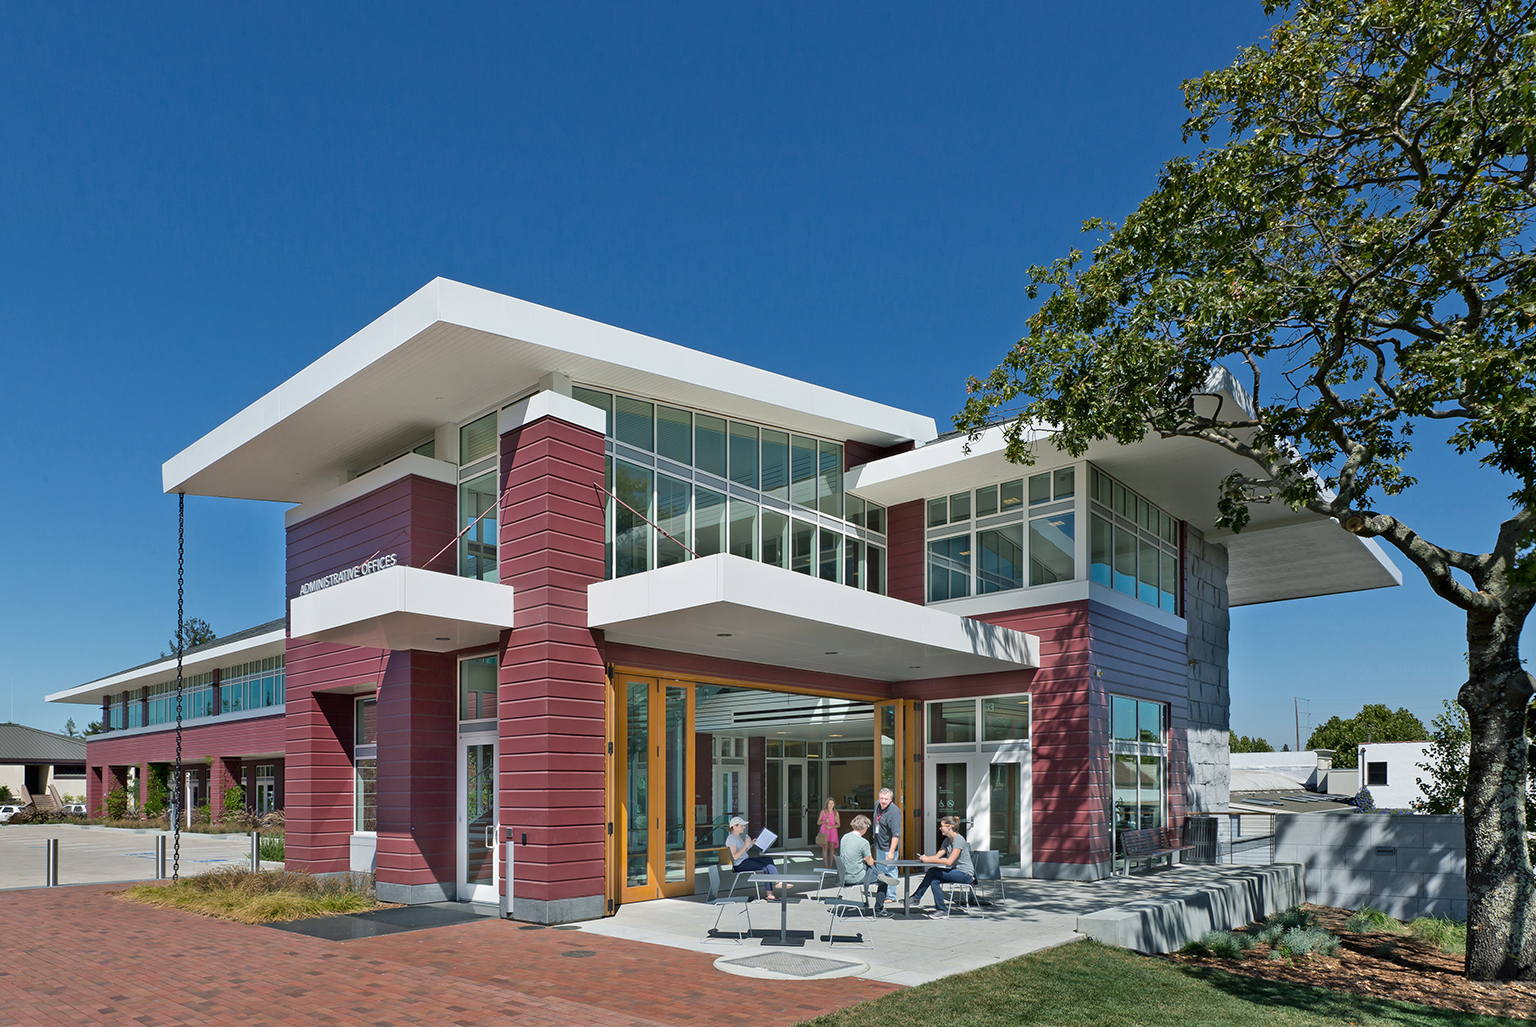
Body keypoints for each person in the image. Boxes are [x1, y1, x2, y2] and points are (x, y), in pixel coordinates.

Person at [909, 816, 976, 917]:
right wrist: (926, 858)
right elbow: (936, 857)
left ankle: (916, 898)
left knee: (932, 872)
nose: (940, 828)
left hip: (965, 874)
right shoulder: (947, 841)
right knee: (934, 880)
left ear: (949, 827)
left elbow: (949, 862)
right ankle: (942, 910)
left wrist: (928, 860)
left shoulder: (958, 840)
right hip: (956, 872)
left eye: (941, 826)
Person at [837, 814, 889, 911]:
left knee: (870, 869)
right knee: (883, 881)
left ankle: (879, 874)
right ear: (865, 828)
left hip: (843, 875)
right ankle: (879, 909)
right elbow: (870, 862)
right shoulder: (863, 842)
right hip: (855, 876)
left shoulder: (845, 837)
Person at [724, 814, 777, 900]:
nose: (744, 827)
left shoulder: (738, 837)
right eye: (741, 826)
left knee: (768, 859)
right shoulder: (731, 839)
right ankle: (769, 893)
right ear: (734, 826)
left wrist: (750, 844)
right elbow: (735, 857)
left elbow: (743, 852)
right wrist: (745, 845)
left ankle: (777, 880)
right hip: (740, 864)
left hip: (745, 860)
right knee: (764, 868)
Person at [871, 786, 902, 917]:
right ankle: (882, 893)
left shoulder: (894, 812)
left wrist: (891, 852)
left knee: (891, 870)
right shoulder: (877, 805)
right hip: (879, 845)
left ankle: (891, 895)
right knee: (881, 871)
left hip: (889, 847)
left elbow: (896, 835)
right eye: (881, 798)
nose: (883, 801)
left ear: (891, 799)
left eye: (886, 799)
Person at [816, 798, 841, 868]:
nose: (831, 805)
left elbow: (838, 824)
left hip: (832, 831)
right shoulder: (823, 812)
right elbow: (818, 822)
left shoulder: (836, 813)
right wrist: (824, 821)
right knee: (825, 847)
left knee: (832, 848)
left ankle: (830, 866)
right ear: (827, 804)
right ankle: (826, 865)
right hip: (825, 831)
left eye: (832, 803)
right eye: (829, 803)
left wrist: (831, 827)